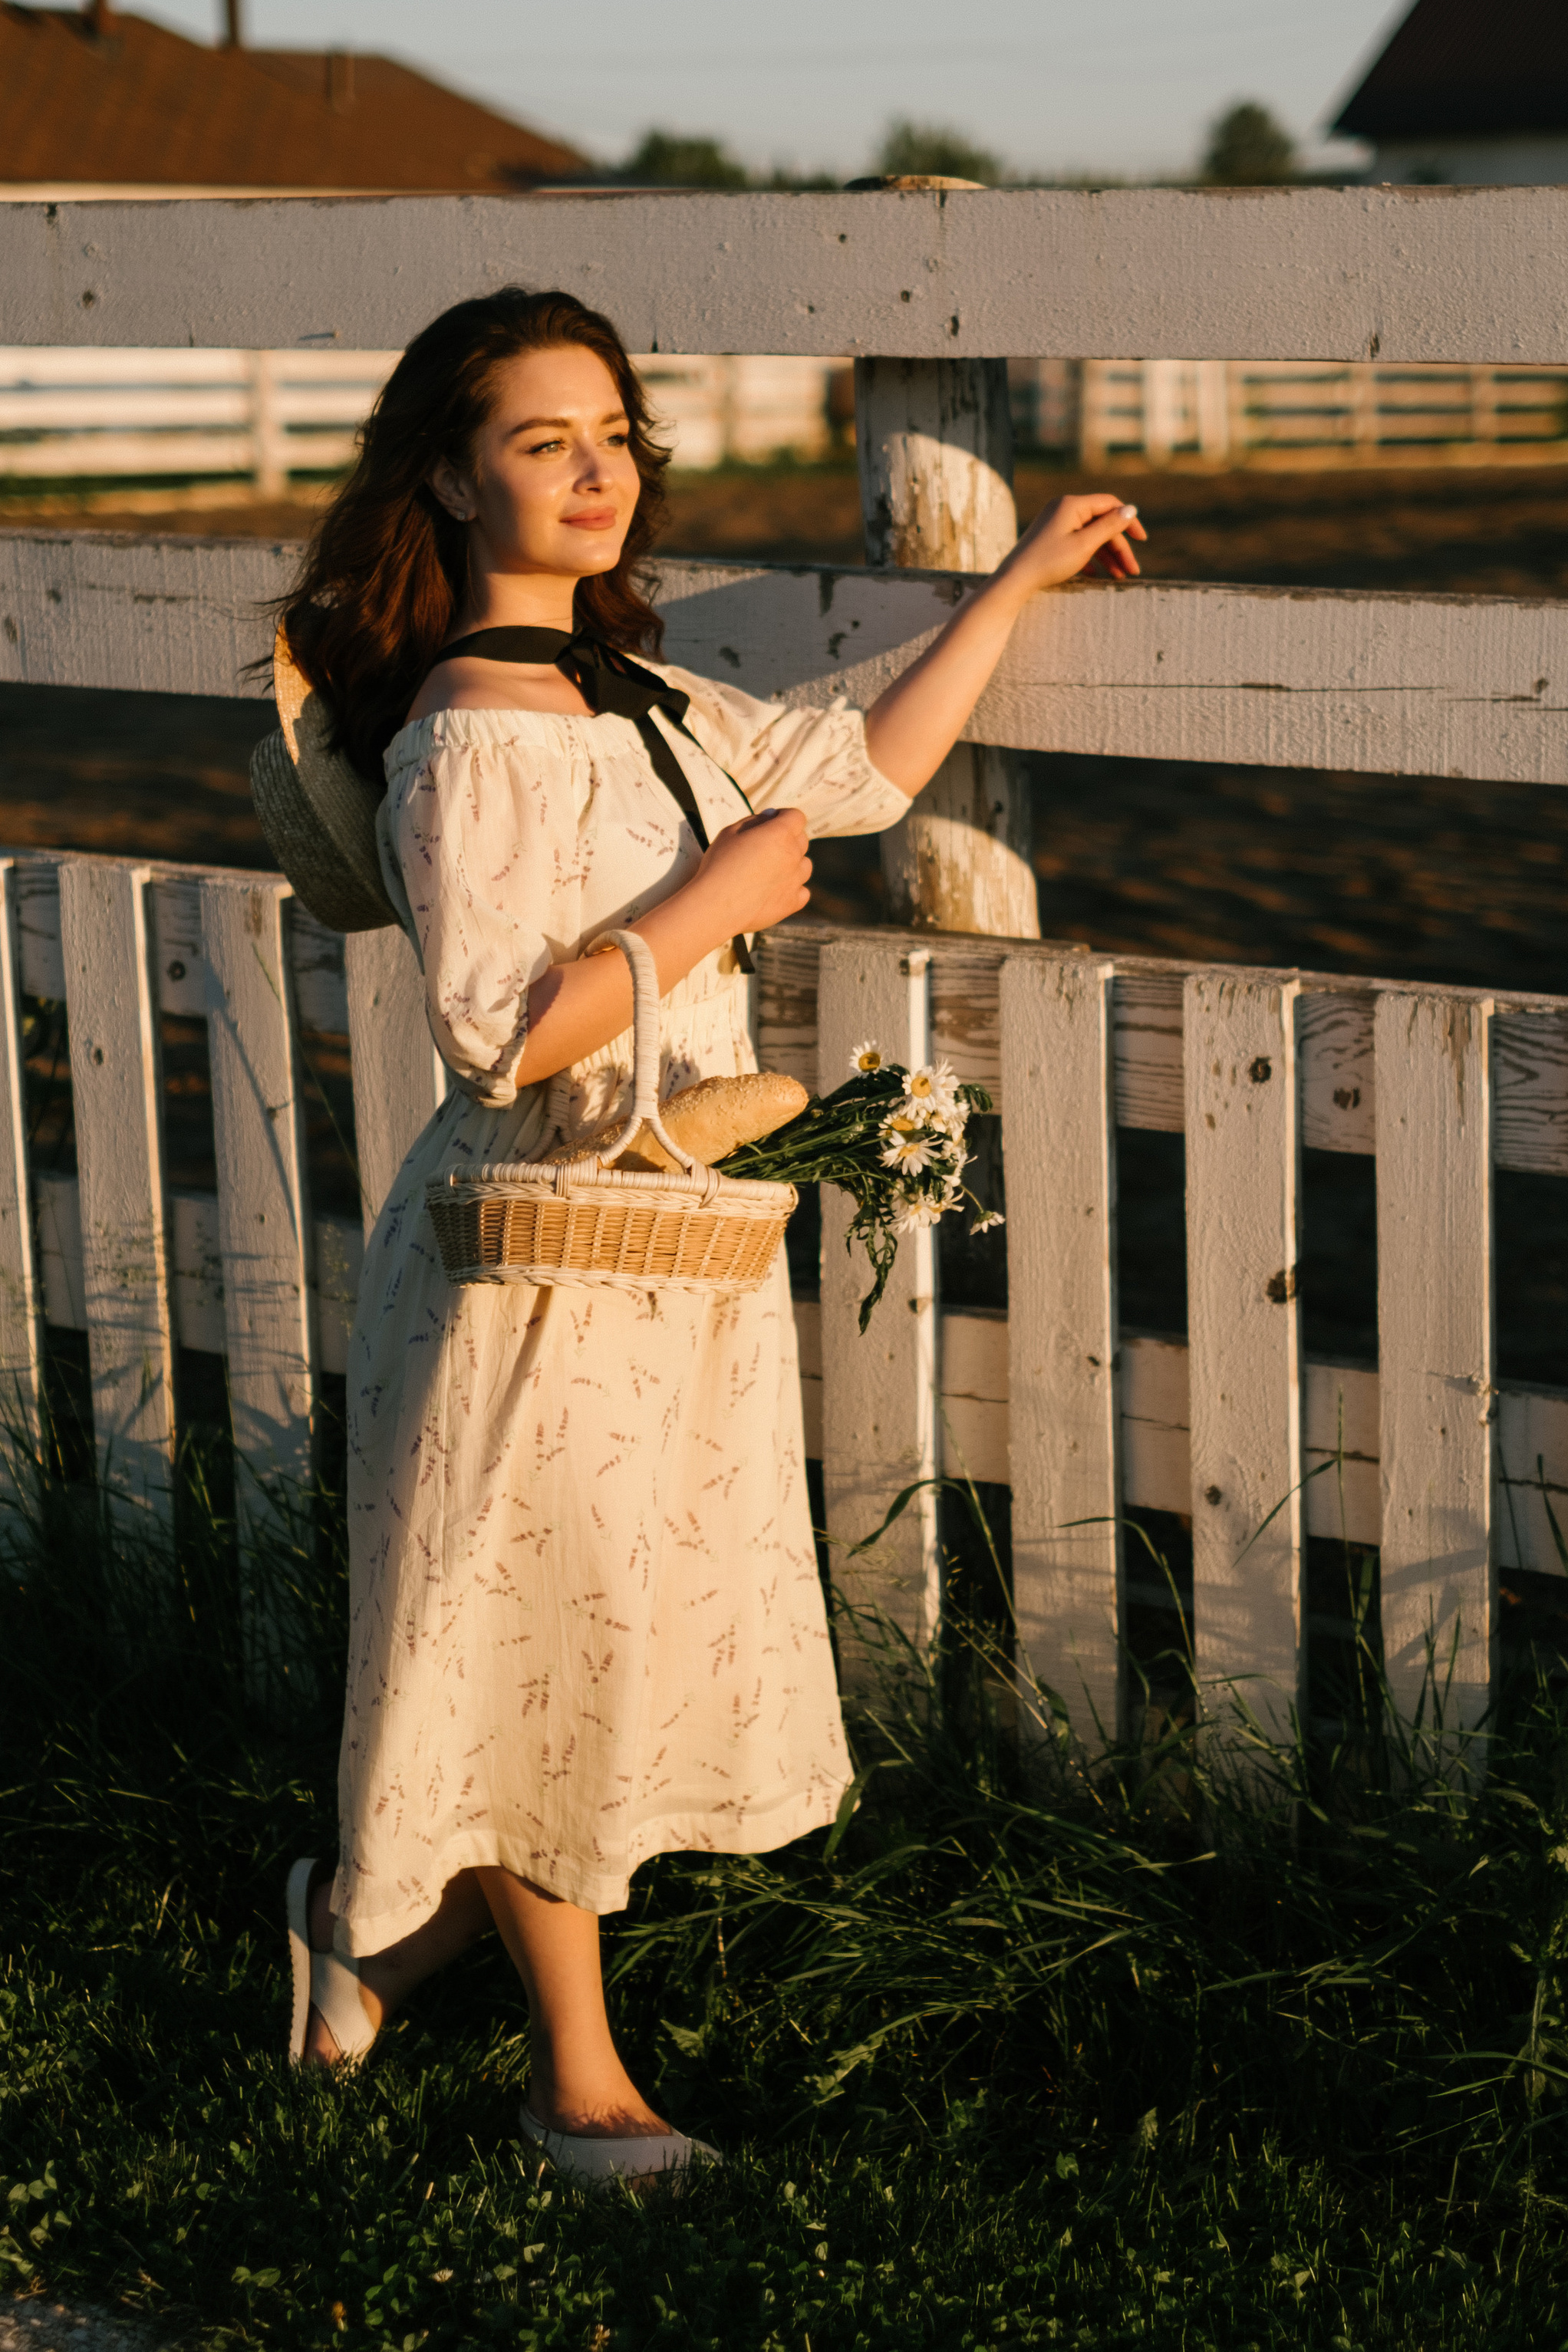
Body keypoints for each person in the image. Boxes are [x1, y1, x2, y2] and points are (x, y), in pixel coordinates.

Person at [277, 286, 1145, 2179]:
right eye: (541, 442)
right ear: (452, 479)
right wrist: (711, 904)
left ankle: (370, 1938)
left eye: (613, 437)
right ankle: (575, 2087)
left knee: (604, 1631)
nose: (594, 473)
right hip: (527, 1253)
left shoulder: (647, 701)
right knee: (541, 1631)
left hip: (666, 1248)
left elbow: (866, 773)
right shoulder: (468, 734)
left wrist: (1011, 582)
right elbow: (498, 1031)